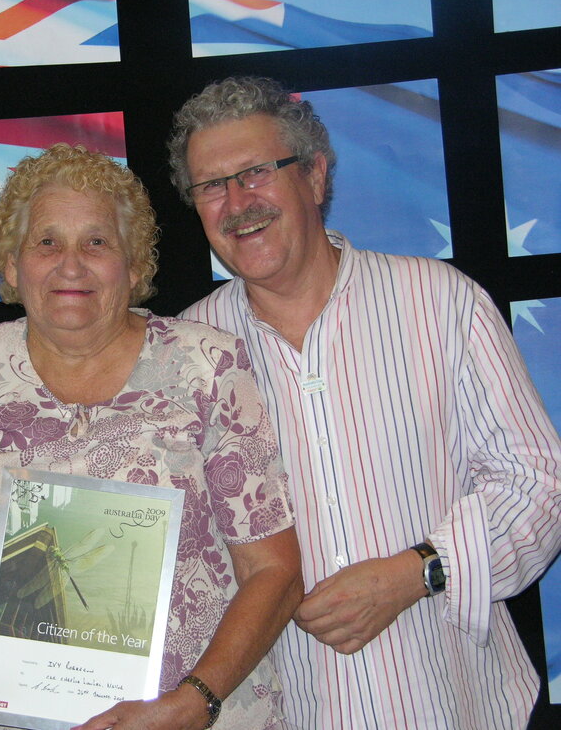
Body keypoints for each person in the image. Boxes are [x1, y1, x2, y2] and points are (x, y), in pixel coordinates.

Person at [171, 75, 561, 729]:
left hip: (458, 706)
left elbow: (540, 484)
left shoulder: (441, 304)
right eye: (212, 185)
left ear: (316, 175)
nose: (238, 202)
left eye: (257, 172)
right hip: (291, 715)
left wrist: (418, 573)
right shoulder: (186, 356)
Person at [0, 143, 303, 730]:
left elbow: (274, 571)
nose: (71, 264)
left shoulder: (205, 364)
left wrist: (195, 701)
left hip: (197, 716)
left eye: (97, 242)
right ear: (10, 264)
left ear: (134, 268)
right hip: (23, 714)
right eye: (47, 241)